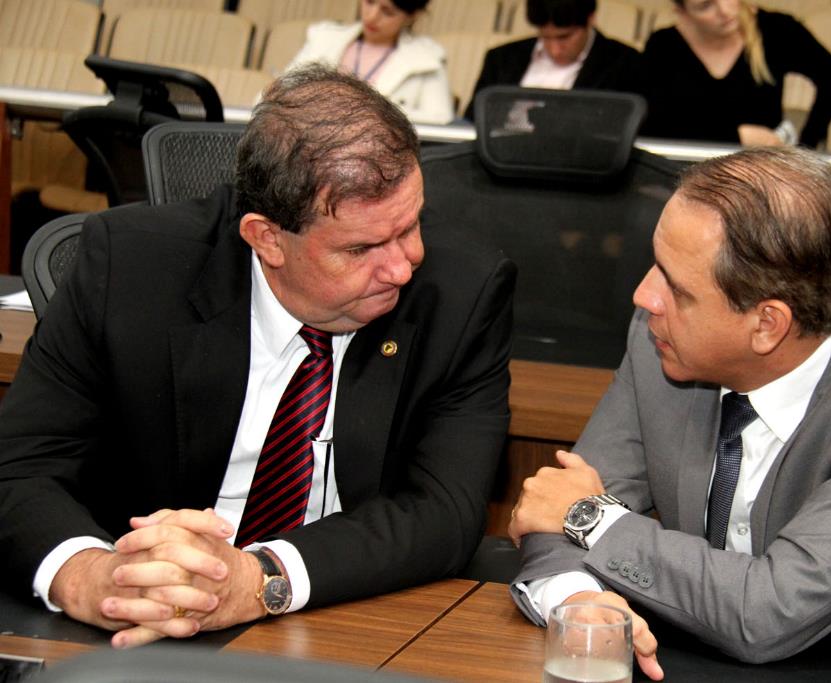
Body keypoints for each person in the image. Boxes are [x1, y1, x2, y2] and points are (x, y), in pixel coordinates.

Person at [0, 64, 515, 649]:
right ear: (266, 237)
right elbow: (18, 468)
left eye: (409, 225)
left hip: (339, 613)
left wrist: (260, 579)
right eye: (362, 248)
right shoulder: (127, 266)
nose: (403, 266)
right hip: (141, 616)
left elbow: (444, 511)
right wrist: (89, 577)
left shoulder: (463, 291)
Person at [506, 146, 831, 676]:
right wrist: (577, 598)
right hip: (713, 650)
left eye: (676, 287)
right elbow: (560, 500)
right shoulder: (663, 336)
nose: (645, 296)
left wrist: (589, 517)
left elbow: (770, 612)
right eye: (656, 262)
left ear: (767, 325)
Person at [640, 0, 831, 147]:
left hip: (758, 170)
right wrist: (737, 135)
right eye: (705, 6)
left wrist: (806, 145)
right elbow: (655, 125)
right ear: (681, 11)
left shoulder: (776, 30)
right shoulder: (663, 46)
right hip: (685, 168)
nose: (724, 10)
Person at [465, 0, 642, 121]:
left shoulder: (625, 63)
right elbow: (474, 120)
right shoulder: (501, 59)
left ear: (591, 19)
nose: (554, 49)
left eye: (564, 37)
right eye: (544, 37)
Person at [283, 0, 454, 124]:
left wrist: (372, 111)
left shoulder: (427, 58)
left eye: (387, 12)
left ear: (412, 16)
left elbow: (439, 118)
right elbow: (281, 90)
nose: (372, 16)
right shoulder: (324, 38)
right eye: (369, 2)